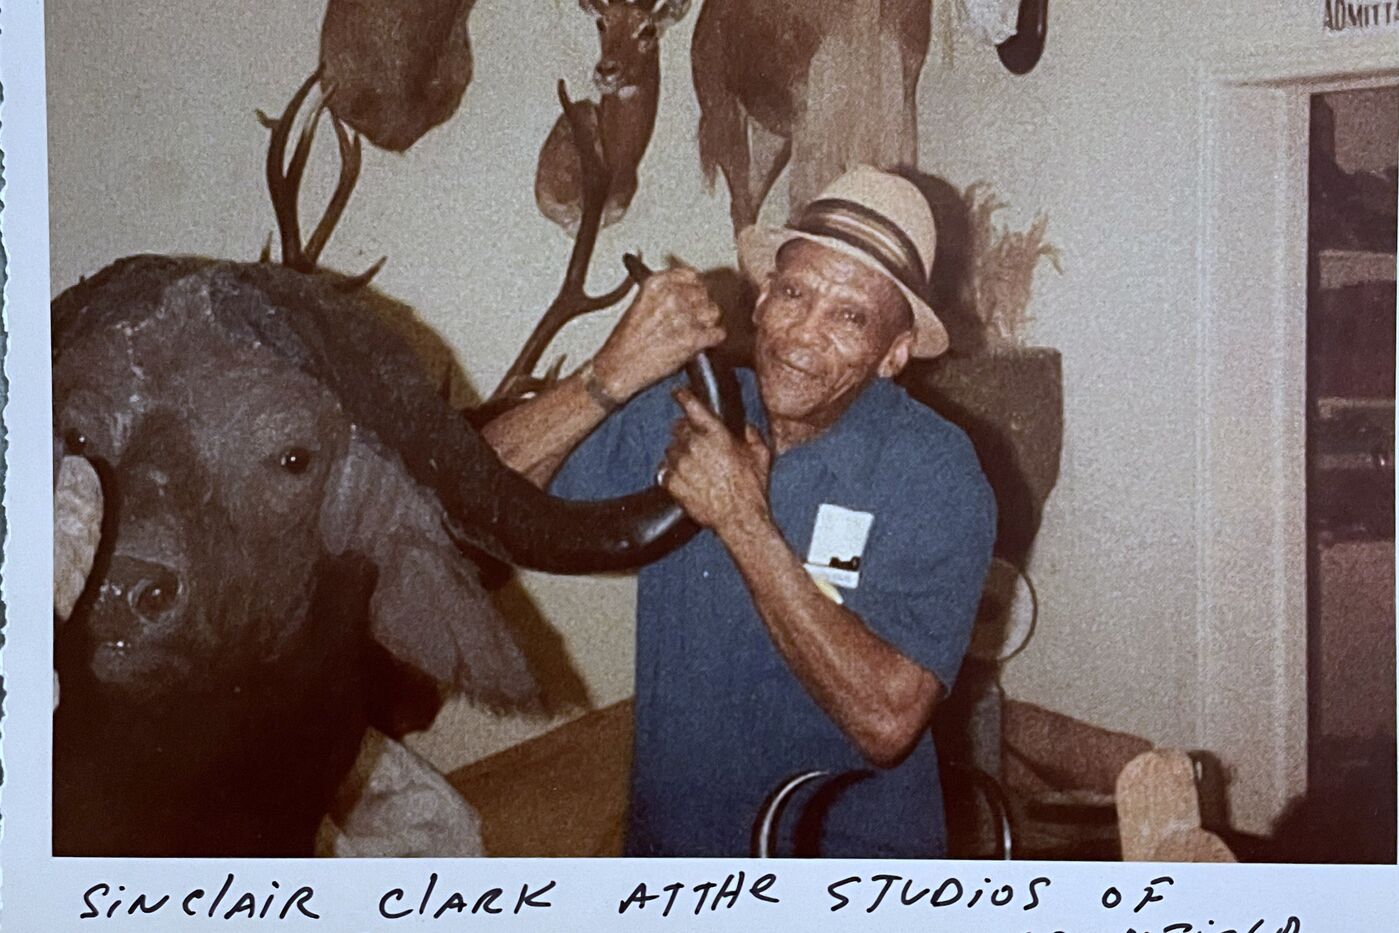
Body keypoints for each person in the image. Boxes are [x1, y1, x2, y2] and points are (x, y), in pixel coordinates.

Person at [483, 165, 996, 857]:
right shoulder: (696, 403)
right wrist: (615, 370)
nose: (801, 335)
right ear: (759, 300)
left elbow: (887, 719)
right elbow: (476, 491)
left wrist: (741, 519)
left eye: (850, 316)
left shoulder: (936, 470)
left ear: (893, 353)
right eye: (792, 292)